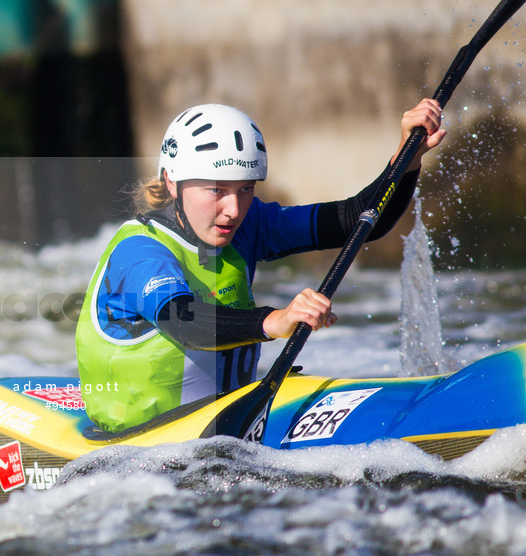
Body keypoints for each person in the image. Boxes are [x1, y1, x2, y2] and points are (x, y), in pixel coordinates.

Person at [75, 99, 445, 433]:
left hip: (230, 418)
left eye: (246, 189)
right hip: (137, 440)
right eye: (216, 190)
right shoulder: (139, 250)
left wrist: (406, 159)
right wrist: (272, 321)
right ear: (172, 181)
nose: (234, 210)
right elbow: (182, 320)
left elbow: (359, 220)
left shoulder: (248, 226)